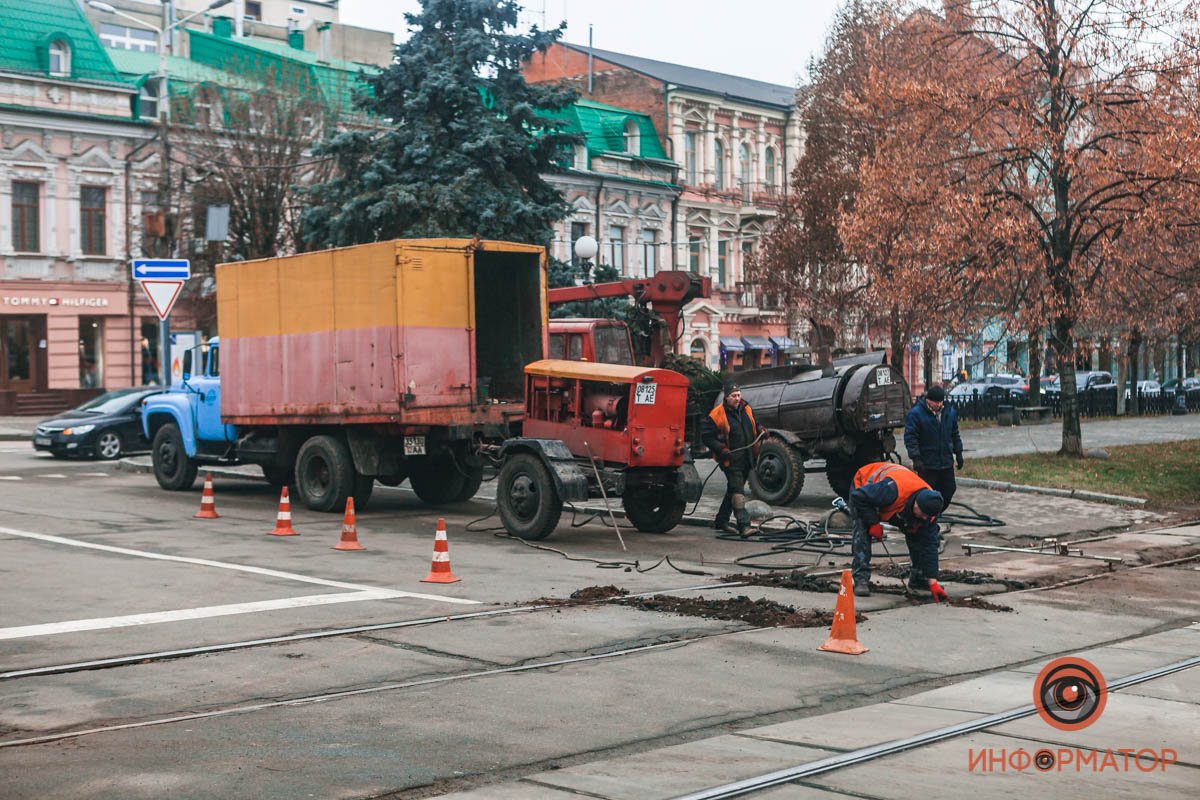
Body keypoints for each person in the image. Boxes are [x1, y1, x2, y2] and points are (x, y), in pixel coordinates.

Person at [848, 461, 946, 600]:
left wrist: (933, 582)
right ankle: (861, 579)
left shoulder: (929, 510)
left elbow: (929, 545)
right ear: (916, 503)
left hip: (894, 504)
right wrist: (873, 523)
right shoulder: (891, 490)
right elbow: (858, 497)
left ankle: (919, 578)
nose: (925, 517)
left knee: (919, 531)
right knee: (862, 530)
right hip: (864, 491)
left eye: (927, 516)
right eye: (923, 513)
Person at [701, 380, 766, 536]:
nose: (737, 398)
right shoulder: (716, 415)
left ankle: (721, 521)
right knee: (738, 491)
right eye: (733, 396)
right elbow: (706, 437)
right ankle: (744, 526)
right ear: (726, 397)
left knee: (732, 489)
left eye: (738, 395)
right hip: (730, 459)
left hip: (748, 457)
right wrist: (720, 448)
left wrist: (760, 429)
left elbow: (754, 423)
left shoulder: (747, 408)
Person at [904, 384, 963, 507]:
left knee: (949, 488)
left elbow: (954, 433)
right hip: (927, 463)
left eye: (940, 402)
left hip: (946, 462)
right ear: (928, 400)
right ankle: (926, 516)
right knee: (927, 491)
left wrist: (958, 453)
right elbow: (911, 438)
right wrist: (916, 458)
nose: (938, 405)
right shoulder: (916, 414)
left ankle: (936, 512)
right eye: (935, 402)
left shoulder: (949, 412)